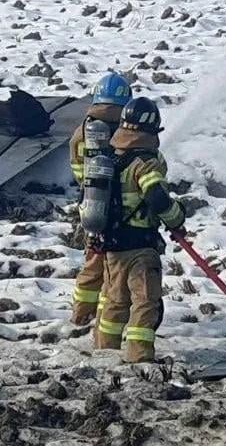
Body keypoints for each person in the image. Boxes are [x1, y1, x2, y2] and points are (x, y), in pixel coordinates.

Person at [93, 97, 185, 363]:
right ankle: (140, 356)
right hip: (139, 247)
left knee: (115, 301)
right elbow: (157, 197)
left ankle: (105, 355)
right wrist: (177, 217)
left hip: (112, 245)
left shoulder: (112, 156)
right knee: (145, 302)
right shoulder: (145, 162)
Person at [69, 73, 133, 326]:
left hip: (92, 205)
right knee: (113, 265)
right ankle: (107, 318)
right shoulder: (127, 129)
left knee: (93, 260)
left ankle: (81, 312)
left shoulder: (82, 132)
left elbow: (78, 171)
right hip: (122, 209)